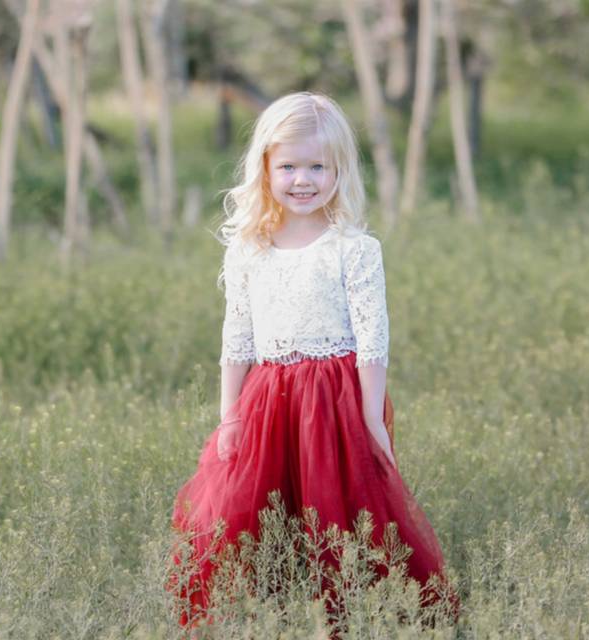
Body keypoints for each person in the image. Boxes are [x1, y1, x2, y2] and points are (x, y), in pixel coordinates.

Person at [171, 92, 458, 628]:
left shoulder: (353, 248)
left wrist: (372, 416)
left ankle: (349, 614)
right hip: (268, 398)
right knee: (251, 510)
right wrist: (229, 414)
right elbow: (237, 336)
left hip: (334, 397)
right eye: (289, 167)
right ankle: (264, 611)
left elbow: (374, 338)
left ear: (338, 170)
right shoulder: (250, 247)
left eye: (316, 167)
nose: (302, 180)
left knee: (342, 512)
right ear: (266, 168)